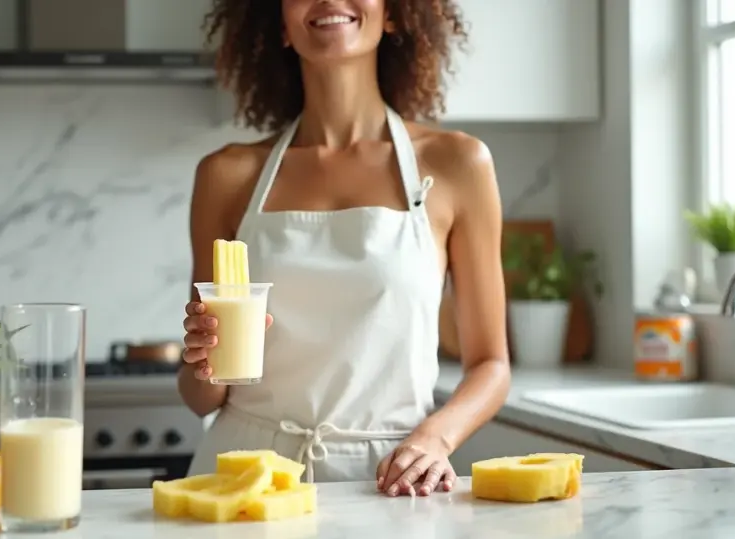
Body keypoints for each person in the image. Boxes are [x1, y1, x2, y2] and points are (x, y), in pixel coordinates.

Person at [179, 0, 510, 497]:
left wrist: (435, 438)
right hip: (245, 479)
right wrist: (202, 358)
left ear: (395, 13)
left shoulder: (458, 165)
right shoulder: (226, 176)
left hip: (391, 480)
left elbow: (492, 364)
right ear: (282, 26)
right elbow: (201, 398)